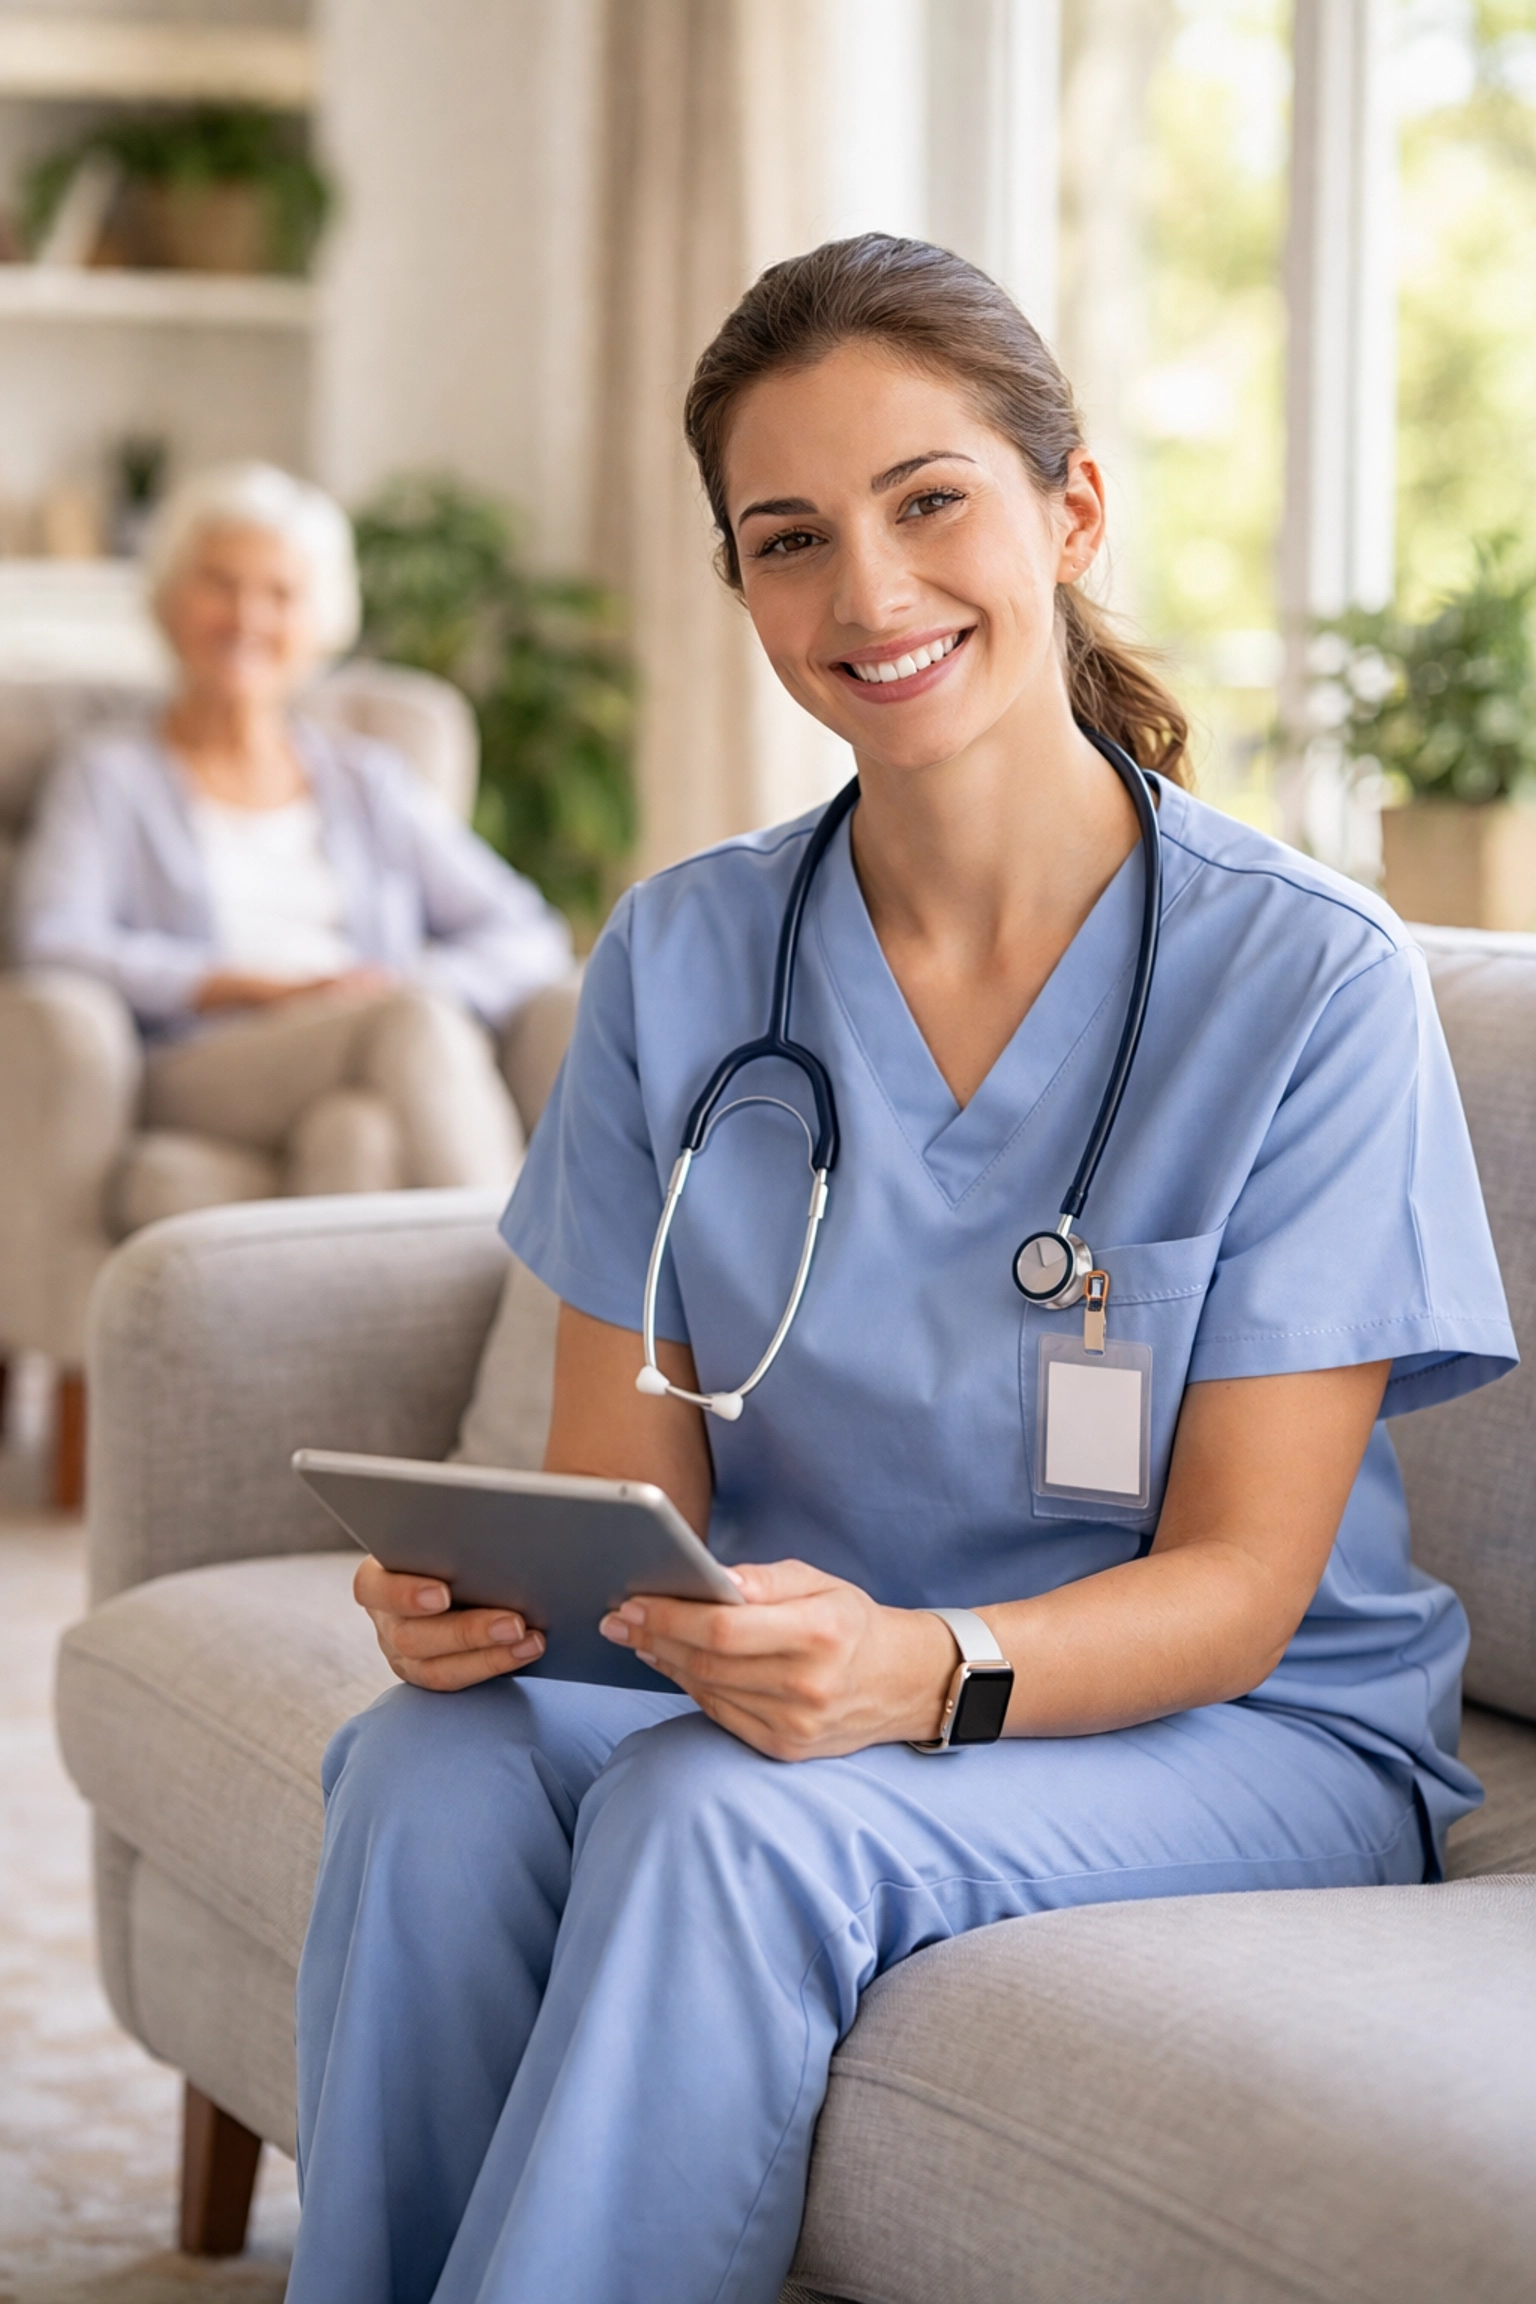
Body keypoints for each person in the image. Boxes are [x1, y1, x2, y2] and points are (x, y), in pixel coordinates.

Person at [288, 237, 1516, 2304]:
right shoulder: (686, 961)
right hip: (795, 1676)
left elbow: (1237, 1592)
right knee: (431, 1765)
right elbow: (627, 1509)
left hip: (1229, 1724)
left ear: (1072, 508)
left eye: (929, 500)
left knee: (725, 1822)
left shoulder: (1304, 980)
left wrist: (922, 1671)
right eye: (789, 540)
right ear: (743, 585)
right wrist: (499, 1603)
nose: (866, 595)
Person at [16, 462, 570, 1204]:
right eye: (220, 583)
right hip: (202, 1062)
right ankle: (532, 1294)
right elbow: (54, 939)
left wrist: (402, 985)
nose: (247, 617)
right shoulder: (109, 775)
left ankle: (361, 1323)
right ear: (171, 600)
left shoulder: (367, 780)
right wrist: (238, 986)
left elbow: (526, 930)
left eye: (279, 593)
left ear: (318, 624)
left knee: (356, 1134)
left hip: (364, 1037)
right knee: (404, 1026)